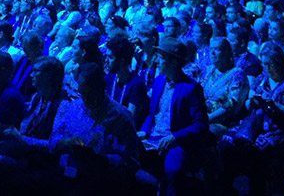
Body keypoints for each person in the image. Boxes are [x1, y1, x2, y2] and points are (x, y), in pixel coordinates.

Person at [219, 42, 284, 195]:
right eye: (264, 64)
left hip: (279, 130)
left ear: (279, 62)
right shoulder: (262, 79)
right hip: (256, 126)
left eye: (269, 64)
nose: (266, 68)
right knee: (227, 145)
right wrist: (250, 102)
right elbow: (247, 106)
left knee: (256, 154)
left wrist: (276, 106)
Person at [141, 36, 209, 195]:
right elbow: (152, 114)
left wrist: (174, 137)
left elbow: (201, 125)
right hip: (153, 138)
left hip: (176, 142)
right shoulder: (159, 81)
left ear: (173, 61)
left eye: (161, 57)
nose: (156, 61)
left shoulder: (191, 89)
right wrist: (144, 130)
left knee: (172, 170)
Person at [201, 37, 249, 135]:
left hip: (225, 124)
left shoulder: (237, 74)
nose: (212, 53)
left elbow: (231, 106)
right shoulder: (209, 70)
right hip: (203, 116)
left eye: (217, 49)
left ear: (227, 53)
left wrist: (205, 120)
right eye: (211, 49)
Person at [105, 35, 149, 128]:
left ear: (121, 61)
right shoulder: (109, 78)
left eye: (110, 57)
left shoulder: (136, 84)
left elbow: (129, 118)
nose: (106, 60)